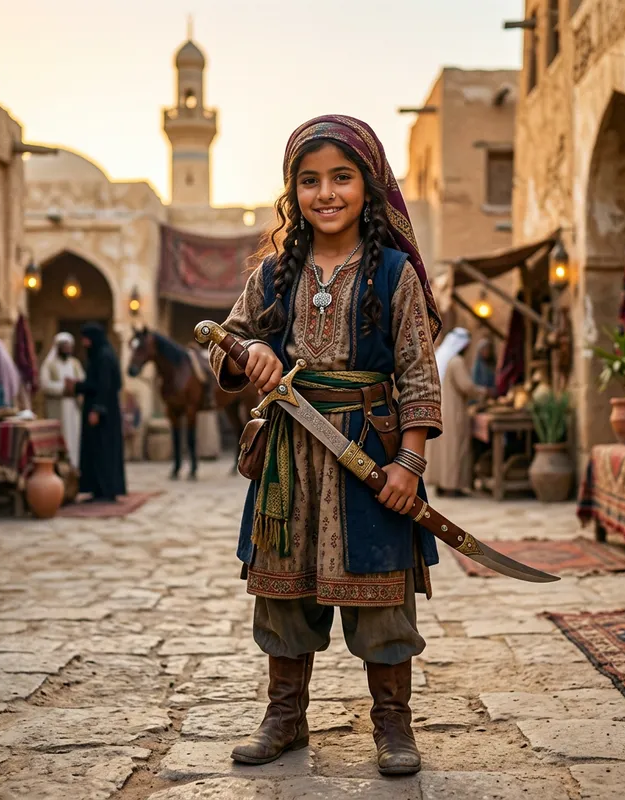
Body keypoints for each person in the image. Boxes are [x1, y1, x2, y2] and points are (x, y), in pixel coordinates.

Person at [209, 115, 443, 777]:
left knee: (381, 596)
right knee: (283, 593)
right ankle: (284, 717)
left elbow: (418, 372)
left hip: (370, 455)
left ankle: (393, 724)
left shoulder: (393, 273)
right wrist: (251, 349)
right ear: (294, 191)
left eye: (342, 177)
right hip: (289, 455)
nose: (326, 192)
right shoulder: (272, 275)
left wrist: (410, 462)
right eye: (309, 180)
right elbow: (226, 340)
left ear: (369, 186)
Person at [425, 327, 488, 497]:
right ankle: (452, 485)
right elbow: (466, 386)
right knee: (454, 449)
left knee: (442, 449)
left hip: (438, 410)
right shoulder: (456, 362)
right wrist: (483, 392)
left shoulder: (441, 357)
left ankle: (442, 484)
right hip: (452, 412)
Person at [70, 323, 126, 502]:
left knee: (103, 450)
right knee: (96, 449)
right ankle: (98, 490)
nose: (84, 343)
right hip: (103, 410)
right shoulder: (101, 355)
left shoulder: (104, 356)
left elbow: (104, 386)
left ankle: (106, 489)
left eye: (86, 339)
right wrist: (79, 387)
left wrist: (97, 409)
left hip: (103, 413)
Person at [40, 332, 85, 468]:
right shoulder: (49, 364)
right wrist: (64, 388)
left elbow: (82, 380)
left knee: (74, 436)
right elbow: (45, 385)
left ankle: (74, 466)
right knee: (59, 437)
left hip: (73, 407)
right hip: (57, 406)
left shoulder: (75, 364)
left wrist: (75, 388)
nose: (67, 349)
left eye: (69, 347)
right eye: (64, 346)